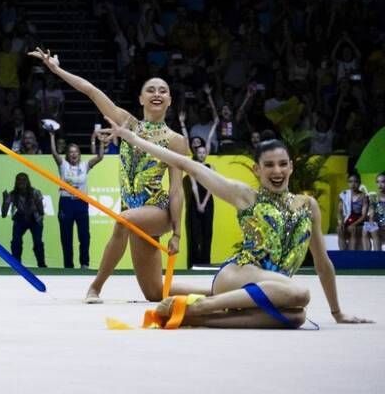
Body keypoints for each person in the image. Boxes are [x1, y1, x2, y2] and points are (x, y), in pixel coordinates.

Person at [103, 120, 370, 328]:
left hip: (272, 290)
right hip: (239, 275)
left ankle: (195, 318)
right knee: (300, 293)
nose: (276, 171)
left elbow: (322, 264)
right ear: (257, 170)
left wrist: (338, 313)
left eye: (282, 164)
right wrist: (134, 139)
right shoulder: (246, 196)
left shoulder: (307, 206)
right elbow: (190, 166)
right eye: (269, 166)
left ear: (291, 167)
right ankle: (202, 307)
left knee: (296, 316)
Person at [29, 47, 186, 302]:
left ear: (169, 101)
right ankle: (216, 292)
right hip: (132, 209)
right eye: (151, 90)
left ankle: (95, 288)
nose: (157, 93)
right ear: (140, 99)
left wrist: (177, 233)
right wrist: (57, 70)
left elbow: (177, 189)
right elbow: (91, 91)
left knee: (123, 220)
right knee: (155, 293)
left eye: (163, 90)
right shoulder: (126, 123)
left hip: (158, 210)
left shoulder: (176, 141)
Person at [49, 129, 103, 269]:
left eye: (76, 152)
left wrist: (101, 142)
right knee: (66, 237)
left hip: (82, 203)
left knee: (84, 236)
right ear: (67, 154)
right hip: (66, 203)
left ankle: (84, 264)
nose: (73, 154)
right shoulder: (63, 165)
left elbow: (100, 157)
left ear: (79, 154)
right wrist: (52, 136)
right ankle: (68, 266)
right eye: (71, 152)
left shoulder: (85, 165)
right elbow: (54, 153)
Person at [180, 133, 215, 266]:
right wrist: (199, 203)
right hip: (194, 203)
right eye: (199, 152)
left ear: (206, 153)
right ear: (196, 153)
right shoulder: (192, 167)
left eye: (203, 152)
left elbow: (211, 186)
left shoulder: (211, 167)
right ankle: (193, 264)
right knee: (194, 234)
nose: (201, 154)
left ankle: (206, 263)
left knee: (207, 233)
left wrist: (204, 202)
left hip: (208, 202)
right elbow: (193, 185)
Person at [2, 172, 47, 268]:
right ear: (16, 182)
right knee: (16, 241)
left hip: (35, 218)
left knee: (38, 242)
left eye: (23, 180)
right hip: (21, 218)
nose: (21, 182)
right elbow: (4, 214)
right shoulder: (12, 194)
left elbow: (41, 211)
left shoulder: (35, 192)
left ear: (28, 182)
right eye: (19, 180)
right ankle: (16, 264)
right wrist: (5, 201)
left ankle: (41, 264)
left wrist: (37, 204)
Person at [339, 172, 368, 251]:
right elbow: (340, 212)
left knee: (353, 229)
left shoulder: (364, 197)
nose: (353, 184)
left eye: (355, 182)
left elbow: (364, 216)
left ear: (359, 183)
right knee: (339, 229)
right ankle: (343, 253)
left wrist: (353, 224)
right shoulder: (344, 195)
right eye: (350, 182)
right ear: (348, 183)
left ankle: (351, 254)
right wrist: (341, 222)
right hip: (347, 220)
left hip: (359, 222)